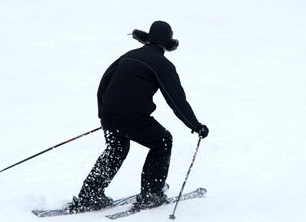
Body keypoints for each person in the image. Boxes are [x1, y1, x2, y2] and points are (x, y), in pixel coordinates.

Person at [67, 20, 209, 213]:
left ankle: (89, 195)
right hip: (131, 117)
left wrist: (105, 114)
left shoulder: (128, 56)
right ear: (167, 43)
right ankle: (151, 194)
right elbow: (176, 100)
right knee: (163, 141)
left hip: (109, 114)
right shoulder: (162, 64)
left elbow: (104, 82)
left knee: (116, 149)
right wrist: (195, 125)